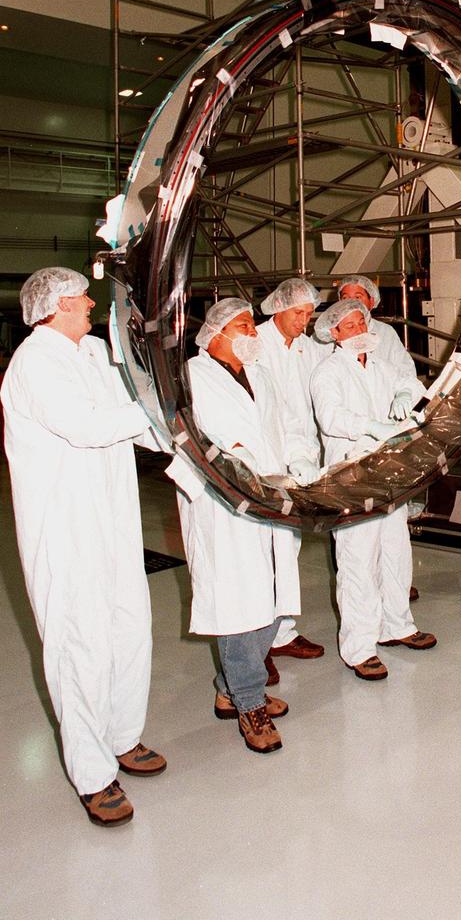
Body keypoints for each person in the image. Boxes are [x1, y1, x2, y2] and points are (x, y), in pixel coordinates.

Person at [1, 267, 166, 827]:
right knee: (79, 644)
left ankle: (122, 737)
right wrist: (158, 412)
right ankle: (93, 775)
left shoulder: (93, 352)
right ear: (54, 306)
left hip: (113, 516)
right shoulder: (34, 364)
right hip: (64, 527)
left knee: (128, 626)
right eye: (81, 297)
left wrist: (172, 428)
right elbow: (87, 426)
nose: (92, 302)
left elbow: (134, 406)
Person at [166, 298, 303, 755]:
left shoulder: (258, 374)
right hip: (224, 503)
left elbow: (277, 430)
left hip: (269, 494)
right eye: (244, 326)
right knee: (240, 603)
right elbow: (196, 438)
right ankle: (249, 703)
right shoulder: (190, 375)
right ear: (218, 333)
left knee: (274, 598)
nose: (252, 333)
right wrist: (243, 468)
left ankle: (232, 687)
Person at [310, 298, 436, 681]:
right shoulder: (327, 372)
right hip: (352, 473)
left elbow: (409, 385)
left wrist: (405, 396)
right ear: (333, 333)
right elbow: (331, 417)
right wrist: (371, 427)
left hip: (389, 472)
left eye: (361, 325)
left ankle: (397, 626)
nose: (358, 332)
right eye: (349, 327)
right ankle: (359, 648)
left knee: (396, 551)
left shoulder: (381, 366)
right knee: (358, 561)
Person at [257, 277, 329, 670]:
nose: (306, 320)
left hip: (303, 457)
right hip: (268, 460)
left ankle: (282, 632)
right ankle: (258, 642)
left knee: (290, 547)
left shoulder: (306, 348)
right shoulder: (257, 343)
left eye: (309, 313)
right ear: (279, 309)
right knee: (264, 551)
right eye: (299, 313)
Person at [336, 274, 416, 382]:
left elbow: (406, 371)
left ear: (371, 302)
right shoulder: (329, 334)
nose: (351, 304)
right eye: (345, 298)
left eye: (358, 297)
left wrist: (404, 394)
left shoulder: (386, 333)